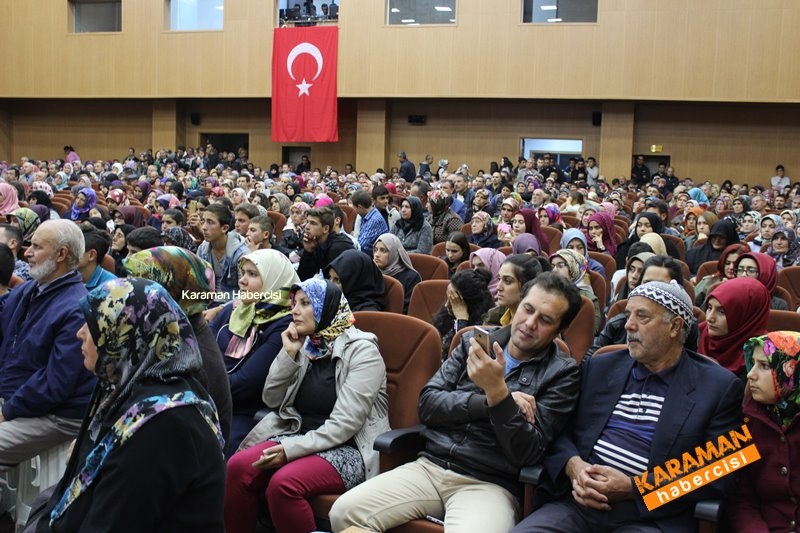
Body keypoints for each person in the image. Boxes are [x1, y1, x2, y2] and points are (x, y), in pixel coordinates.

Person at [330, 272, 583, 532]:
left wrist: (498, 394)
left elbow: (527, 451)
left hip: (490, 483)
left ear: (559, 330)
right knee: (344, 513)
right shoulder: (473, 343)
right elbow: (428, 405)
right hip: (431, 465)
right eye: (527, 309)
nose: (530, 323)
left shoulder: (562, 374)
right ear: (517, 305)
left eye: (545, 320)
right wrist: (488, 402)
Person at [514, 281, 744, 533]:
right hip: (577, 503)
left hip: (648, 518)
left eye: (641, 316)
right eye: (628, 315)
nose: (628, 325)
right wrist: (573, 466)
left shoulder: (720, 387)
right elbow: (558, 429)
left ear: (675, 327)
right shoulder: (601, 366)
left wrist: (635, 488)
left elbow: (722, 470)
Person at [35, 277, 225, 532]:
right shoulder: (126, 382)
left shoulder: (162, 424)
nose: (79, 333)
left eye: (93, 325)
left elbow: (112, 522)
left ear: (125, 334)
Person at [224, 278, 389, 533]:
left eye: (305, 303)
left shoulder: (363, 352)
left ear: (327, 308)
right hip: (298, 433)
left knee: (283, 484)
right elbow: (272, 399)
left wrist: (289, 450)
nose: (294, 310)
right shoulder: (308, 343)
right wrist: (288, 355)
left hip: (348, 447)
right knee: (237, 468)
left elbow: (344, 425)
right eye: (294, 303)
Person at [0, 220, 96, 469]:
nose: (27, 252)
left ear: (61, 254)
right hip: (20, 397)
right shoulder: (28, 290)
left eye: (36, 246)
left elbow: (55, 383)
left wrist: (7, 410)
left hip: (59, 413)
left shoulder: (77, 307)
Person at [123, 245, 234, 444]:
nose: (128, 291)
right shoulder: (167, 331)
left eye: (140, 284)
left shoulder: (189, 358)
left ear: (169, 291)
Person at [209, 249, 299, 454]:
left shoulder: (284, 324)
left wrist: (201, 384)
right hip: (211, 396)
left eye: (253, 274)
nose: (242, 281)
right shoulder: (237, 309)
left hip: (244, 411)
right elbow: (201, 352)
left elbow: (247, 383)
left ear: (274, 281)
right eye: (243, 273)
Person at [728, 331, 800, 532]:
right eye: (753, 363)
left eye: (765, 366)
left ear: (791, 371)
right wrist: (641, 490)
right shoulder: (748, 422)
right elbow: (741, 498)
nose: (750, 374)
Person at [589, 255, 700, 357]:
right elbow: (590, 358)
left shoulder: (687, 327)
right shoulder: (619, 323)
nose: (651, 290)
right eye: (647, 283)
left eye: (659, 286)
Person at [698, 276, 770, 377]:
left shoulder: (764, 355)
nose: (710, 318)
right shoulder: (696, 334)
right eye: (709, 308)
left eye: (722, 312)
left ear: (746, 316)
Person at [432, 268, 493, 360]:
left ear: (468, 303)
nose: (446, 305)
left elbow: (458, 359)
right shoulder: (447, 316)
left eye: (453, 301)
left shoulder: (485, 327)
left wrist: (462, 319)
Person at [484, 254, 548, 327]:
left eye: (507, 281)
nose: (498, 287)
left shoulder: (538, 328)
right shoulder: (493, 317)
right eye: (499, 279)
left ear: (527, 286)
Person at [550, 248, 601, 333]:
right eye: (552, 266)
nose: (554, 270)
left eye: (560, 265)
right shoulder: (545, 291)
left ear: (574, 268)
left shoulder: (588, 299)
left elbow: (591, 333)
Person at [373, 233, 421, 314]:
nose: (377, 255)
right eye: (375, 250)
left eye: (383, 250)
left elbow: (406, 310)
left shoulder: (411, 277)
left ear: (394, 253)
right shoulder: (373, 272)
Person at [77, 227, 117, 292]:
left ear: (92, 255)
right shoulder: (69, 276)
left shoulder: (112, 286)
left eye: (76, 250)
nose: (70, 255)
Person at [351, 190, 388, 257]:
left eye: (354, 208)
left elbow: (360, 246)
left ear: (359, 207)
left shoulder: (374, 220)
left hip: (375, 258)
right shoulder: (366, 215)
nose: (354, 211)